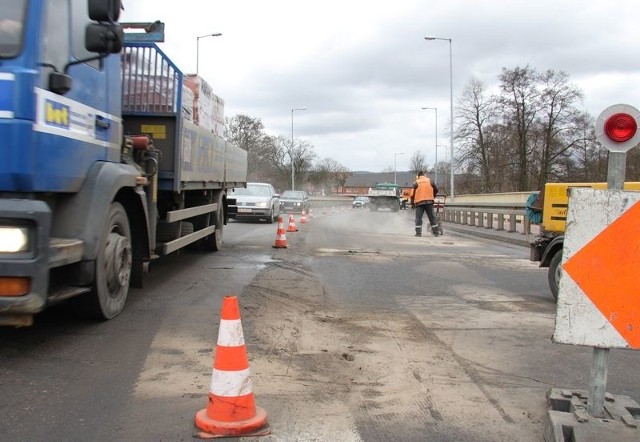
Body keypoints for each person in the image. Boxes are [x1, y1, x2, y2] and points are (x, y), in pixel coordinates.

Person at [410, 171, 440, 237]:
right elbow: (436, 190)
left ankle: (418, 233)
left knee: (418, 218)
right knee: (432, 217)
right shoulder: (430, 181)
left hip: (419, 203)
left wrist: (412, 203)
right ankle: (436, 233)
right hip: (429, 202)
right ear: (424, 175)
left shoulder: (416, 183)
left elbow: (412, 194)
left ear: (418, 176)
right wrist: (433, 196)